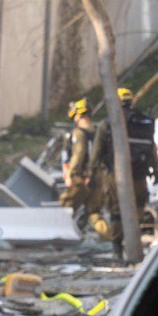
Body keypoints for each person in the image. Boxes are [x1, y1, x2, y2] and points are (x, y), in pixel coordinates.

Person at [90, 87, 158, 255]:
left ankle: (117, 250)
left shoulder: (106, 124)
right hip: (140, 175)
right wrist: (156, 172)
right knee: (138, 208)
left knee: (116, 212)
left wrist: (92, 175)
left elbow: (96, 154)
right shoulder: (143, 123)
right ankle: (134, 248)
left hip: (115, 176)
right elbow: (152, 149)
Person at [59, 98, 96, 231]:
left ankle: (62, 234)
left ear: (79, 115)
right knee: (93, 213)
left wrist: (69, 174)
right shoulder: (97, 132)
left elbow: (78, 155)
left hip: (80, 177)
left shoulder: (79, 133)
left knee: (66, 206)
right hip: (95, 178)